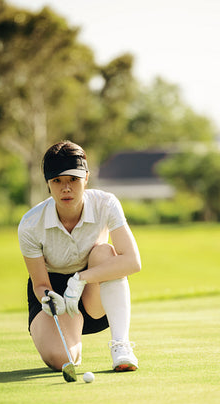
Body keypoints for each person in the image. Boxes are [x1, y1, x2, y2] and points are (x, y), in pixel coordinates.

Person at [18, 140, 141, 373]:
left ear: (86, 178)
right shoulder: (30, 224)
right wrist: (48, 297)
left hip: (94, 291)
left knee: (105, 252)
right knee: (63, 360)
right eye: (58, 181)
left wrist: (81, 279)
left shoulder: (106, 203)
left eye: (73, 179)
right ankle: (71, 337)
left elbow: (132, 261)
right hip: (55, 295)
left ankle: (121, 345)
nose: (66, 188)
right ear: (48, 183)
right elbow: (40, 283)